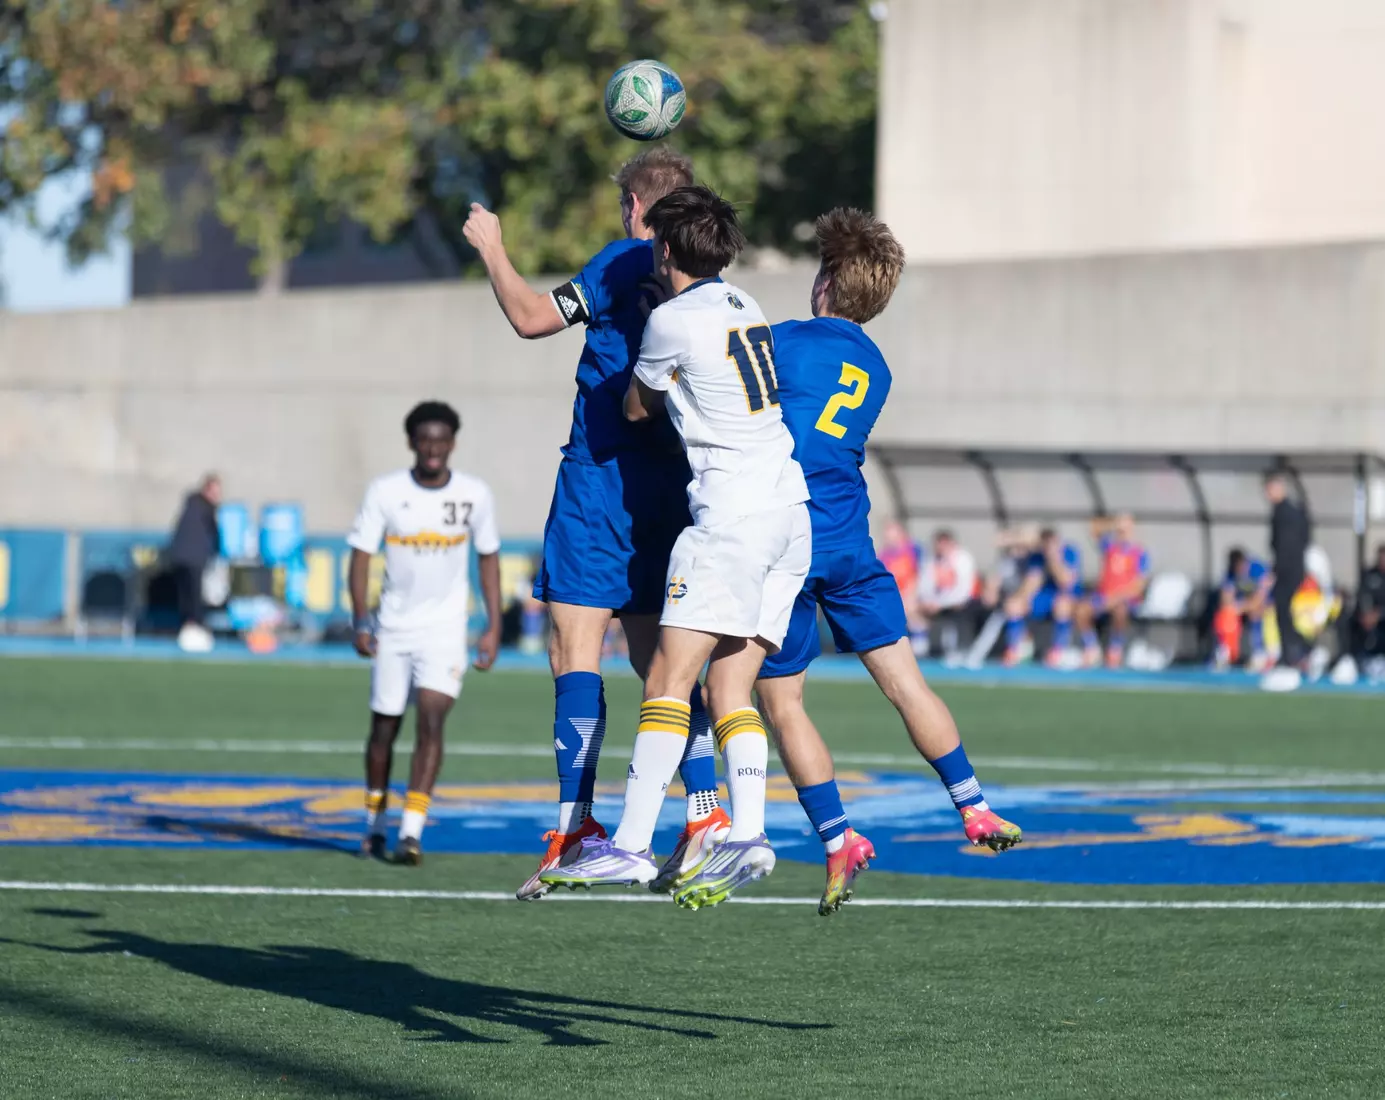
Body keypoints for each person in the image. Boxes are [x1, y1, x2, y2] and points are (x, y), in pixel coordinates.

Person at [463, 148, 726, 899]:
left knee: (575, 649)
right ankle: (703, 815)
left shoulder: (619, 263)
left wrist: (493, 247)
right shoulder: (710, 285)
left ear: (636, 210)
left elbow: (528, 318)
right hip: (675, 484)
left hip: (601, 479)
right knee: (664, 666)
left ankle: (577, 827)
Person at [541, 185, 811, 909]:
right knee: (728, 687)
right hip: (789, 514)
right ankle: (747, 832)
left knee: (664, 677)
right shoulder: (744, 306)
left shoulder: (670, 318)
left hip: (728, 516)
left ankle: (628, 847)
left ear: (663, 247)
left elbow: (635, 407)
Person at [747, 208, 1020, 915]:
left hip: (785, 544)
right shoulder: (875, 364)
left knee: (782, 704)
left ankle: (837, 837)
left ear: (825, 281)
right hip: (850, 543)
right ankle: (974, 806)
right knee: (906, 684)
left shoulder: (783, 342)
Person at [347, 401, 503, 865]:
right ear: (411, 442)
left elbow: (488, 558)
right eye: (425, 438)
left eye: (442, 439)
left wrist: (492, 626)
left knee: (431, 721)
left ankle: (410, 832)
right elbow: (360, 556)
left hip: (445, 630)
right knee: (384, 727)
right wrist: (360, 618)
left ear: (453, 443)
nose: (433, 447)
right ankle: (374, 822)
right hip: (393, 628)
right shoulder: (386, 492)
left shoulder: (475, 494)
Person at [1074, 513, 1151, 669]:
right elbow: (1093, 529)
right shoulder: (1110, 547)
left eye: (1126, 527)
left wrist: (1114, 598)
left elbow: (1138, 587)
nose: (1123, 531)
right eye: (1121, 527)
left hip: (1125, 600)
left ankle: (1115, 649)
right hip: (1103, 597)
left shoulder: (1139, 552)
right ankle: (1091, 648)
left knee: (1120, 610)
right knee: (1082, 610)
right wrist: (1113, 524)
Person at [1261, 471, 1311, 692]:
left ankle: (1297, 651)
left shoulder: (1286, 513)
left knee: (1283, 611)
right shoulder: (1284, 511)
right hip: (1288, 569)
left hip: (1288, 570)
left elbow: (1286, 545)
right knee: (1282, 613)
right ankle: (1293, 651)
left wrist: (1276, 571)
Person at [1003, 527, 1081, 667]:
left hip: (1066, 598)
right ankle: (1015, 648)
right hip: (1043, 598)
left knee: (1062, 605)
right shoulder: (1037, 557)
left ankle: (1058, 651)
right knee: (1014, 604)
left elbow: (1065, 581)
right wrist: (1023, 598)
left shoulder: (1070, 552)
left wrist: (1053, 560)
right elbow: (1032, 581)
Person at [167, 473, 223, 653]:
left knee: (188, 596)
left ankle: (188, 629)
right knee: (193, 596)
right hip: (192, 558)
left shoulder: (191, 504)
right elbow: (215, 532)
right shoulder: (205, 507)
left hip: (180, 556)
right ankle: (194, 631)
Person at [916, 528, 979, 660]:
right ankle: (927, 648)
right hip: (938, 603)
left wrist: (940, 604)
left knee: (960, 607)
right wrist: (928, 602)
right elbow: (925, 585)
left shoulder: (962, 559)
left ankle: (962, 648)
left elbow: (963, 591)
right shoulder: (932, 560)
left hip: (962, 602)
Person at [1211, 548, 1273, 671]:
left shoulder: (1258, 569)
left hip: (1267, 605)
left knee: (1256, 612)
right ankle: (1226, 652)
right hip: (1244, 606)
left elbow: (1261, 598)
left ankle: (1259, 653)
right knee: (1226, 613)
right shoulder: (1231, 573)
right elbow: (1226, 599)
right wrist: (1235, 607)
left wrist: (1242, 607)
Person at [877, 520, 927, 655]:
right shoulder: (884, 554)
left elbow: (921, 573)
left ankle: (920, 645)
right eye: (886, 534)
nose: (887, 537)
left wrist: (912, 593)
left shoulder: (913, 549)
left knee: (909, 607)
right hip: (895, 594)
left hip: (916, 592)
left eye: (890, 533)